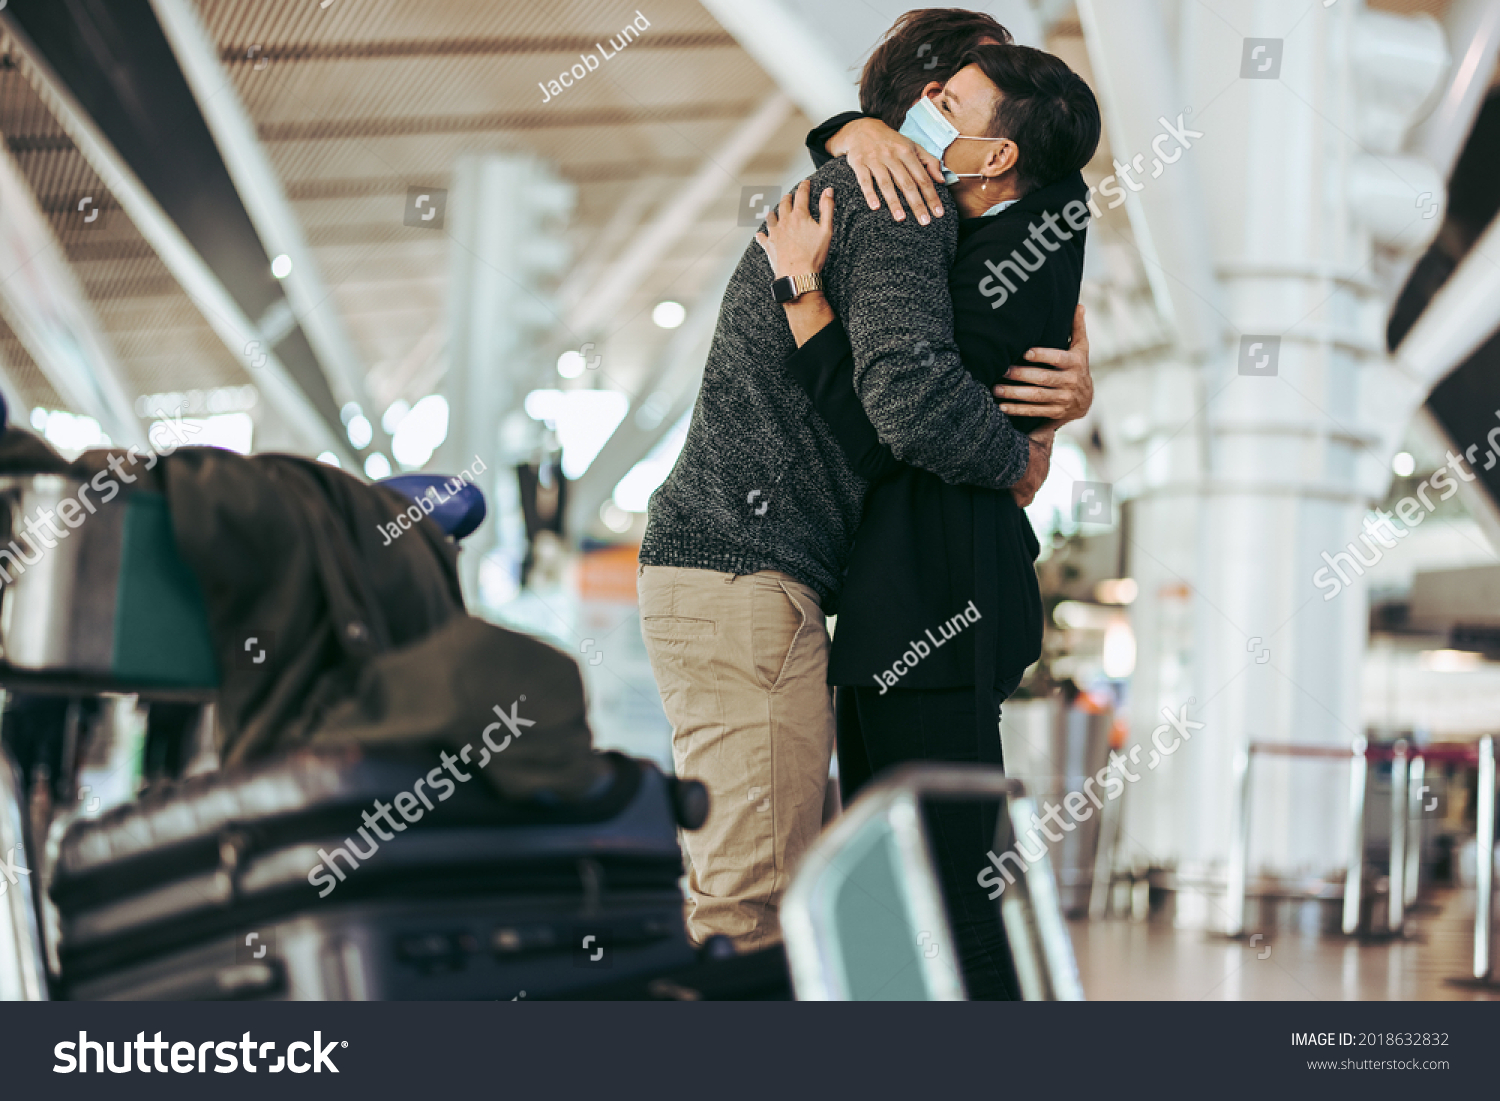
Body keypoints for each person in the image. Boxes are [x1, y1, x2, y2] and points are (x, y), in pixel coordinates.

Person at [636, 10, 1093, 954]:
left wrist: (1060, 404)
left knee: (775, 889)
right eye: (948, 89)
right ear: (918, 106)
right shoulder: (894, 199)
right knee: (755, 904)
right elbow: (913, 402)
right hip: (744, 567)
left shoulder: (877, 179)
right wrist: (1022, 461)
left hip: (752, 570)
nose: (940, 109)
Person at [756, 43, 1101, 997]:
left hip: (937, 609)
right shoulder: (1013, 224)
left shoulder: (1023, 248)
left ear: (993, 158)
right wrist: (850, 129)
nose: (923, 106)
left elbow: (887, 432)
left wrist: (803, 289)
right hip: (909, 609)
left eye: (949, 99)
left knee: (948, 900)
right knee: (899, 887)